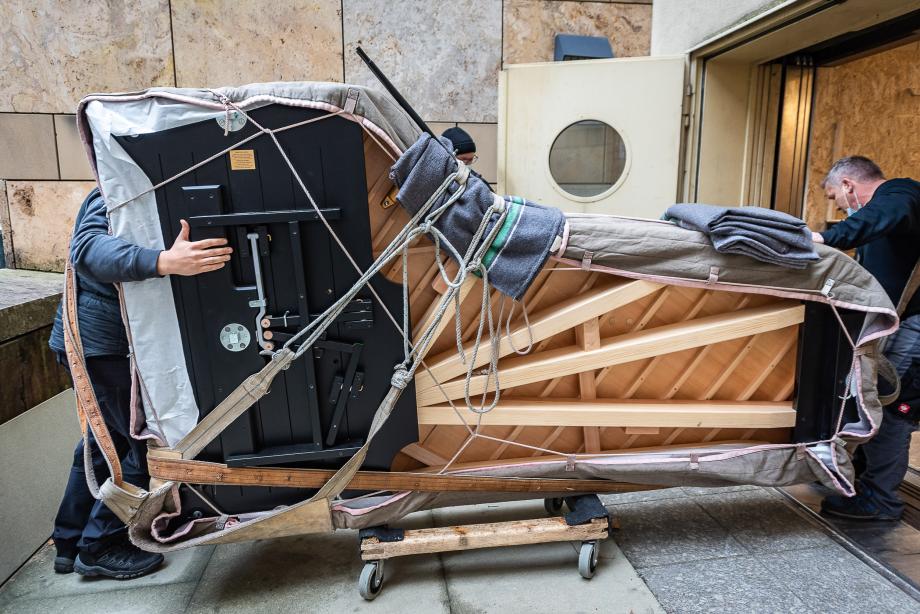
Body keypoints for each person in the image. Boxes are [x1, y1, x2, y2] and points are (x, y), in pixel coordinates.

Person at [48, 188, 232, 578]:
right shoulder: (115, 186)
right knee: (137, 444)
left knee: (103, 445)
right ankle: (100, 545)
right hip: (100, 346)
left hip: (92, 341)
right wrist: (164, 261)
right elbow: (89, 251)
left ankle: (69, 542)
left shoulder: (122, 182)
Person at [812, 156, 920, 521]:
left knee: (892, 407)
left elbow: (889, 211)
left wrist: (827, 238)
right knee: (868, 399)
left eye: (835, 197)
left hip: (915, 327)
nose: (839, 208)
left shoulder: (900, 193)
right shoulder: (881, 223)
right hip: (896, 325)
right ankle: (855, 480)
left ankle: (881, 500)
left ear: (848, 186)